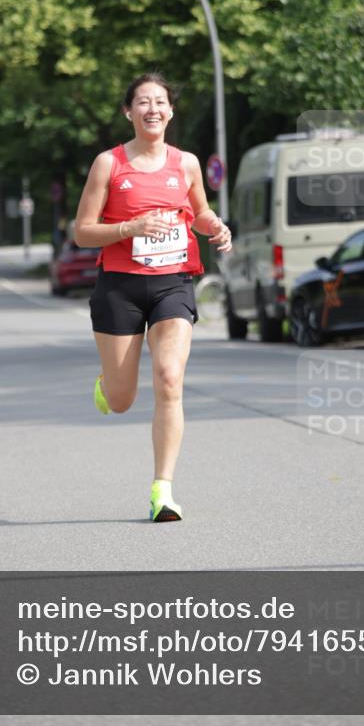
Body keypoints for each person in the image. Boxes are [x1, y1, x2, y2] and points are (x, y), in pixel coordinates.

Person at [74, 72, 232, 523]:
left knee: (168, 377)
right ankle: (108, 384)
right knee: (123, 400)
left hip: (173, 282)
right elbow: (83, 232)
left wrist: (215, 227)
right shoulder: (109, 164)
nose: (152, 109)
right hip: (119, 287)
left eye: (160, 102)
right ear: (129, 112)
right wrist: (129, 228)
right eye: (142, 102)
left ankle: (163, 490)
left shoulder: (185, 164)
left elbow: (198, 213)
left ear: (170, 111)